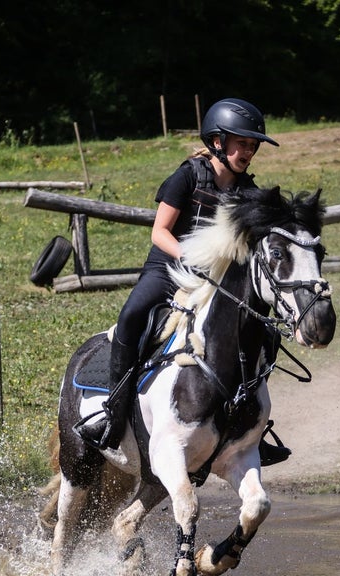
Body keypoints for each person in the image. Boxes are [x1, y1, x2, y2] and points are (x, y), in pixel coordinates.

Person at [76, 97, 292, 466]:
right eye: (242, 143)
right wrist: (190, 260)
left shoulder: (247, 192)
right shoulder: (188, 176)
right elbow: (159, 232)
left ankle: (249, 424)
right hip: (168, 271)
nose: (248, 151)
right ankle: (114, 409)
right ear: (218, 141)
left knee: (265, 333)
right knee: (131, 316)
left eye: (253, 146)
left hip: (217, 283)